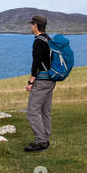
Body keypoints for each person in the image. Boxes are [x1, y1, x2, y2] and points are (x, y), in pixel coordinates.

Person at [25, 15, 56, 152]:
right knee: (45, 111)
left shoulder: (38, 41)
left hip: (42, 81)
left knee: (32, 111)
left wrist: (30, 82)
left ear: (36, 25)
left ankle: (40, 141)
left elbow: (36, 63)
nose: (31, 26)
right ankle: (45, 138)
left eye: (32, 24)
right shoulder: (49, 39)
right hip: (51, 80)